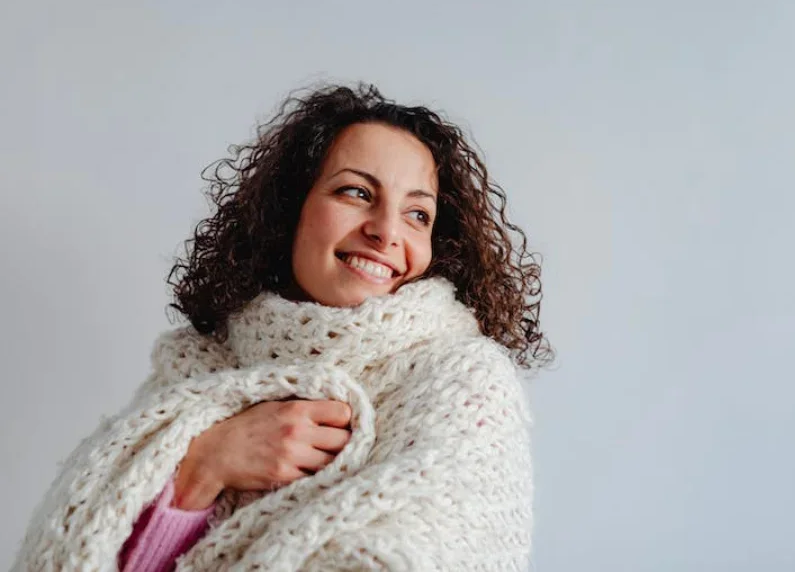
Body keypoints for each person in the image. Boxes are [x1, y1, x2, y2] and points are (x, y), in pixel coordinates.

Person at [13, 83, 553, 571]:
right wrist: (201, 468)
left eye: (418, 214)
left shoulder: (466, 385)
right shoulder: (197, 372)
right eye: (356, 193)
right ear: (289, 210)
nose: (387, 231)